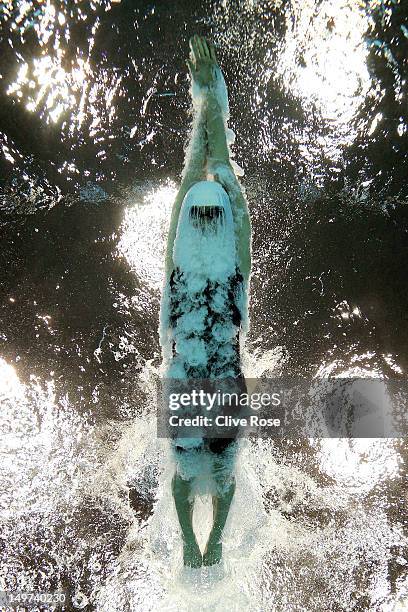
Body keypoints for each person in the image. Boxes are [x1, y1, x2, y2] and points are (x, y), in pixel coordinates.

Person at [159, 35, 251, 568]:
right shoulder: (235, 266)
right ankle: (209, 542)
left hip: (187, 383)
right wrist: (212, 104)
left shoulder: (177, 267)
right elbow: (220, 174)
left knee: (184, 475)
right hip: (221, 383)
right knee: (222, 475)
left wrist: (206, 105)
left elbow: (196, 176)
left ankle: (197, 545)